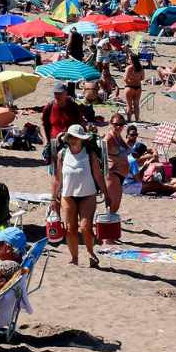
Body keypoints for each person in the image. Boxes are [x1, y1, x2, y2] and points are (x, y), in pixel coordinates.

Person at [51, 124, 108, 268]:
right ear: (67, 138)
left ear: (82, 139)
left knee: (85, 227)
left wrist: (106, 194)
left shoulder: (90, 154)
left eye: (76, 138)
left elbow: (98, 175)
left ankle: (90, 252)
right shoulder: (62, 154)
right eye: (71, 137)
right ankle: (74, 258)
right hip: (68, 195)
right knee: (70, 228)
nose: (73, 140)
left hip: (87, 194)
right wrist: (53, 198)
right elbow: (57, 178)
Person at [104, 114, 130, 218]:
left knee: (115, 205)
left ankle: (109, 223)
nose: (119, 127)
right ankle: (107, 225)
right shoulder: (109, 138)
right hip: (113, 174)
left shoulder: (118, 136)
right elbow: (99, 153)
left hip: (120, 174)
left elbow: (127, 149)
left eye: (121, 124)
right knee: (113, 205)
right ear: (111, 124)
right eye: (116, 124)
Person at [123, 53, 144, 123]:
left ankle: (129, 120)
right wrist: (136, 79)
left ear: (132, 60)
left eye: (129, 58)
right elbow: (142, 78)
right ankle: (137, 120)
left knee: (129, 105)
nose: (128, 59)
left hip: (129, 87)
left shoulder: (129, 68)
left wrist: (130, 80)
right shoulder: (140, 67)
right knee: (136, 105)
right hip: (138, 87)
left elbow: (125, 79)